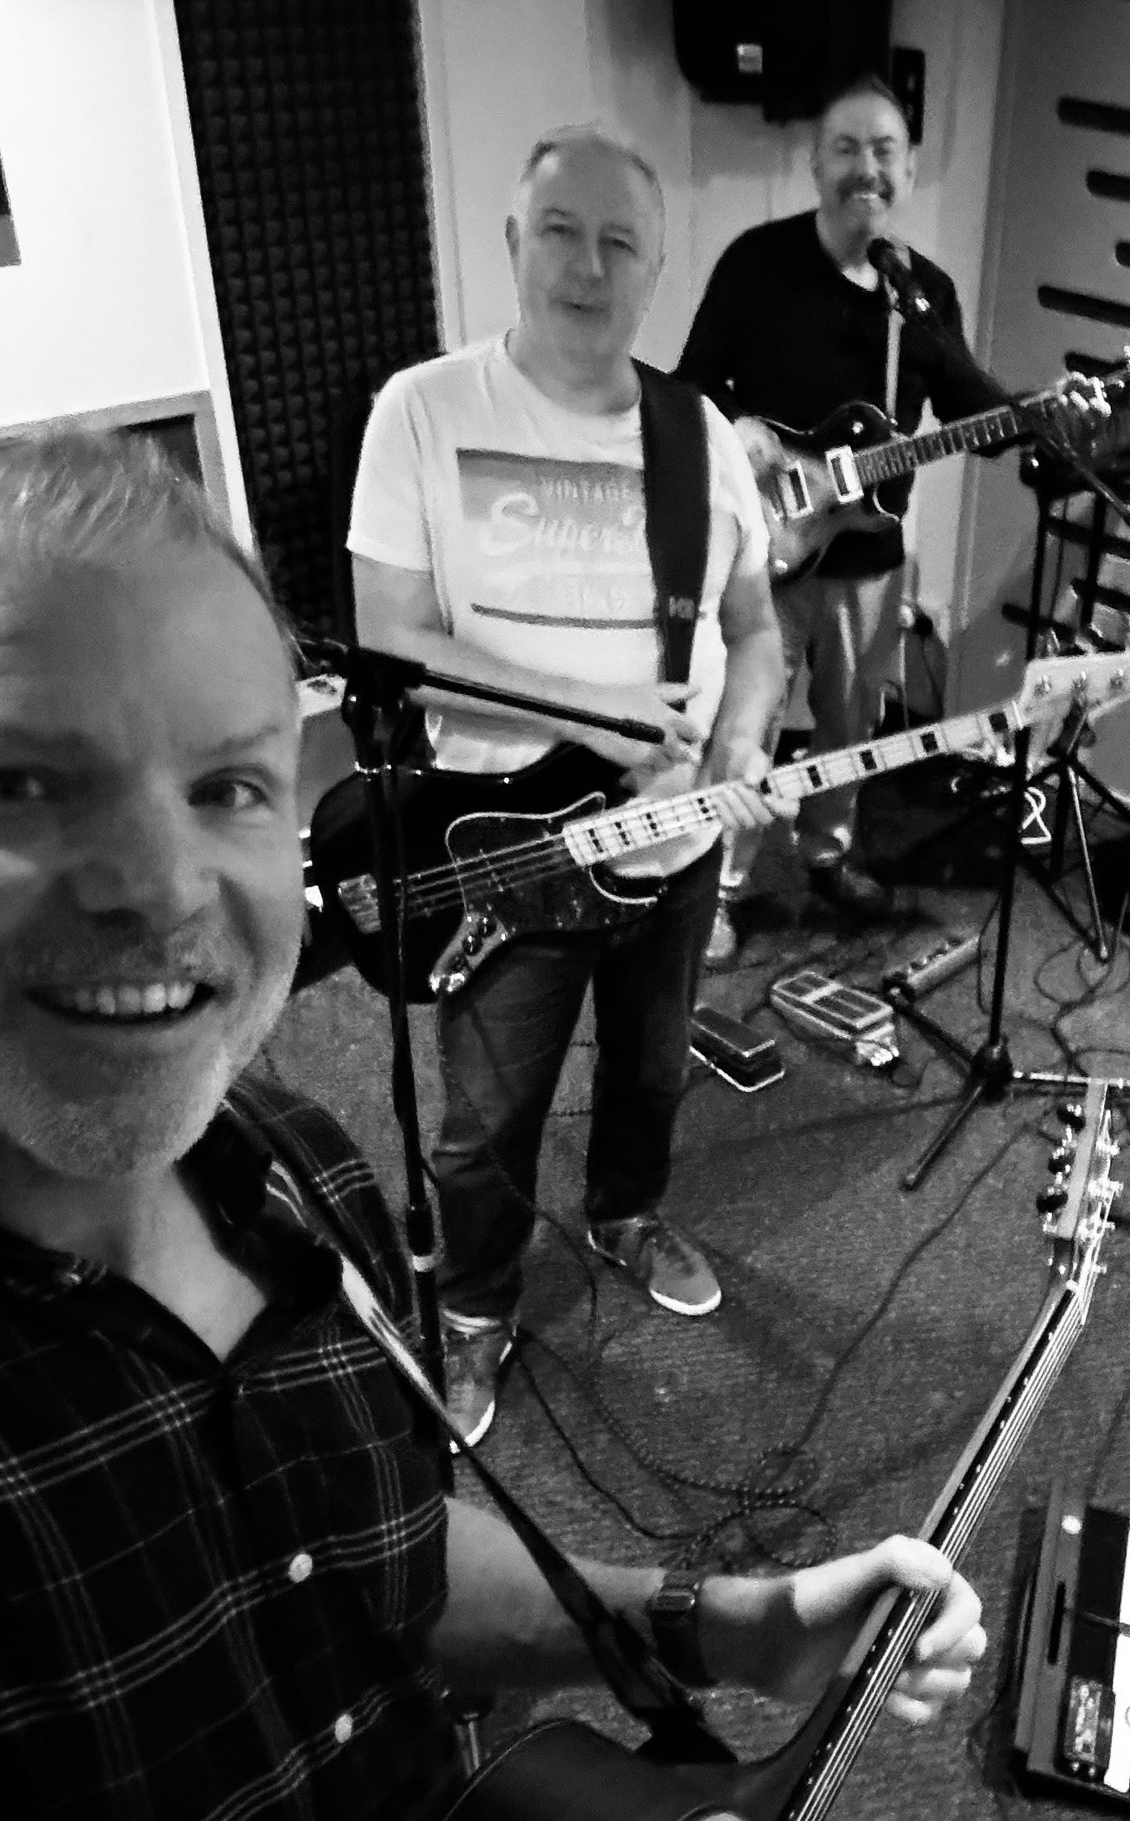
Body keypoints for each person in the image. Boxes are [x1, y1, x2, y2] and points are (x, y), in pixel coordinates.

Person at [0, 428, 986, 1821]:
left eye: (230, 785)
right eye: (12, 781)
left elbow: (378, 1562)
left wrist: (722, 1622)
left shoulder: (289, 1164)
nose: (163, 886)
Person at [349, 130, 790, 1437]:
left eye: (619, 241)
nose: (587, 264)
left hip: (678, 833)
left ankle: (623, 1214)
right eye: (560, 230)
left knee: (652, 1072)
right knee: (484, 1122)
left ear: (655, 267)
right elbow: (393, 640)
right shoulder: (423, 411)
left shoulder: (694, 431)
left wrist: (747, 744)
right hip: (505, 842)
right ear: (512, 242)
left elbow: (755, 628)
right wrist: (592, 708)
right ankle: (477, 1312)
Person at [677, 70, 1002, 962]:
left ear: (907, 169)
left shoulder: (921, 291)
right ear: (816, 162)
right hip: (769, 549)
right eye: (848, 148)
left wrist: (1040, 416)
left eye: (886, 151)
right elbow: (688, 384)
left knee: (851, 721)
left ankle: (826, 854)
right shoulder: (756, 263)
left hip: (871, 554)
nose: (868, 167)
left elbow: (968, 396)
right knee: (743, 719)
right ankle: (717, 885)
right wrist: (736, 427)